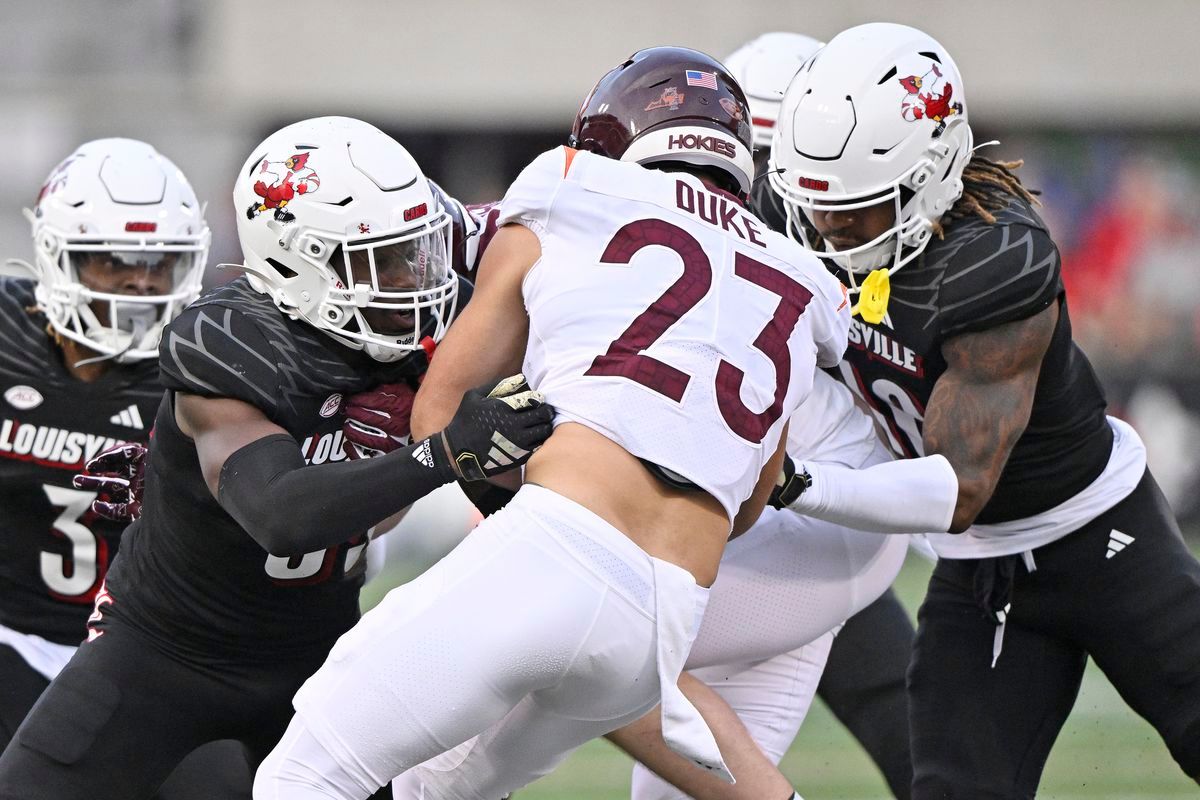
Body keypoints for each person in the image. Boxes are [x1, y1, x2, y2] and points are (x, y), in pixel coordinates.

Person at [252, 46, 849, 800]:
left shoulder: (569, 186)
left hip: (557, 550)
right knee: (423, 794)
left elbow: (441, 414)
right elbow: (749, 502)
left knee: (302, 776)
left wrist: (534, 492)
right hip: (660, 626)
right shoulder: (802, 283)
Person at [0, 116, 553, 800]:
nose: (414, 277)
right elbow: (279, 513)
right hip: (164, 652)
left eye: (418, 251)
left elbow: (515, 507)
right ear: (302, 260)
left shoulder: (425, 331)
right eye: (381, 259)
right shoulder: (230, 340)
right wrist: (441, 454)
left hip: (316, 655)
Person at [768, 21, 1200, 797]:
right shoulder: (809, 216)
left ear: (930, 175)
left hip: (1100, 534)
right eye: (816, 204)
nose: (829, 228)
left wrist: (797, 483)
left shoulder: (993, 261)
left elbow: (956, 491)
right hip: (982, 574)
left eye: (861, 209)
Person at [0, 137, 254, 798]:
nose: (141, 282)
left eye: (160, 263)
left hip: (150, 657)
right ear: (59, 257)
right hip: (11, 634)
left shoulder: (212, 367)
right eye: (116, 260)